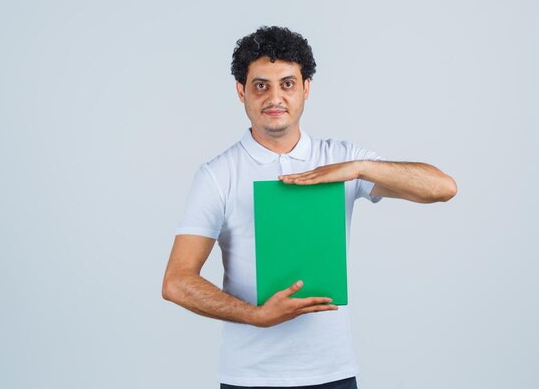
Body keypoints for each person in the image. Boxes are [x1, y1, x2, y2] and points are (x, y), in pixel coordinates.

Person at [162, 26, 457, 389]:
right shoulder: (217, 175)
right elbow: (177, 281)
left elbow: (442, 188)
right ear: (241, 92)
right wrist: (256, 316)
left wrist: (359, 169)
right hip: (249, 377)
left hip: (332, 373)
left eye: (287, 83)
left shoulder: (341, 159)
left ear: (306, 88)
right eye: (261, 85)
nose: (275, 97)